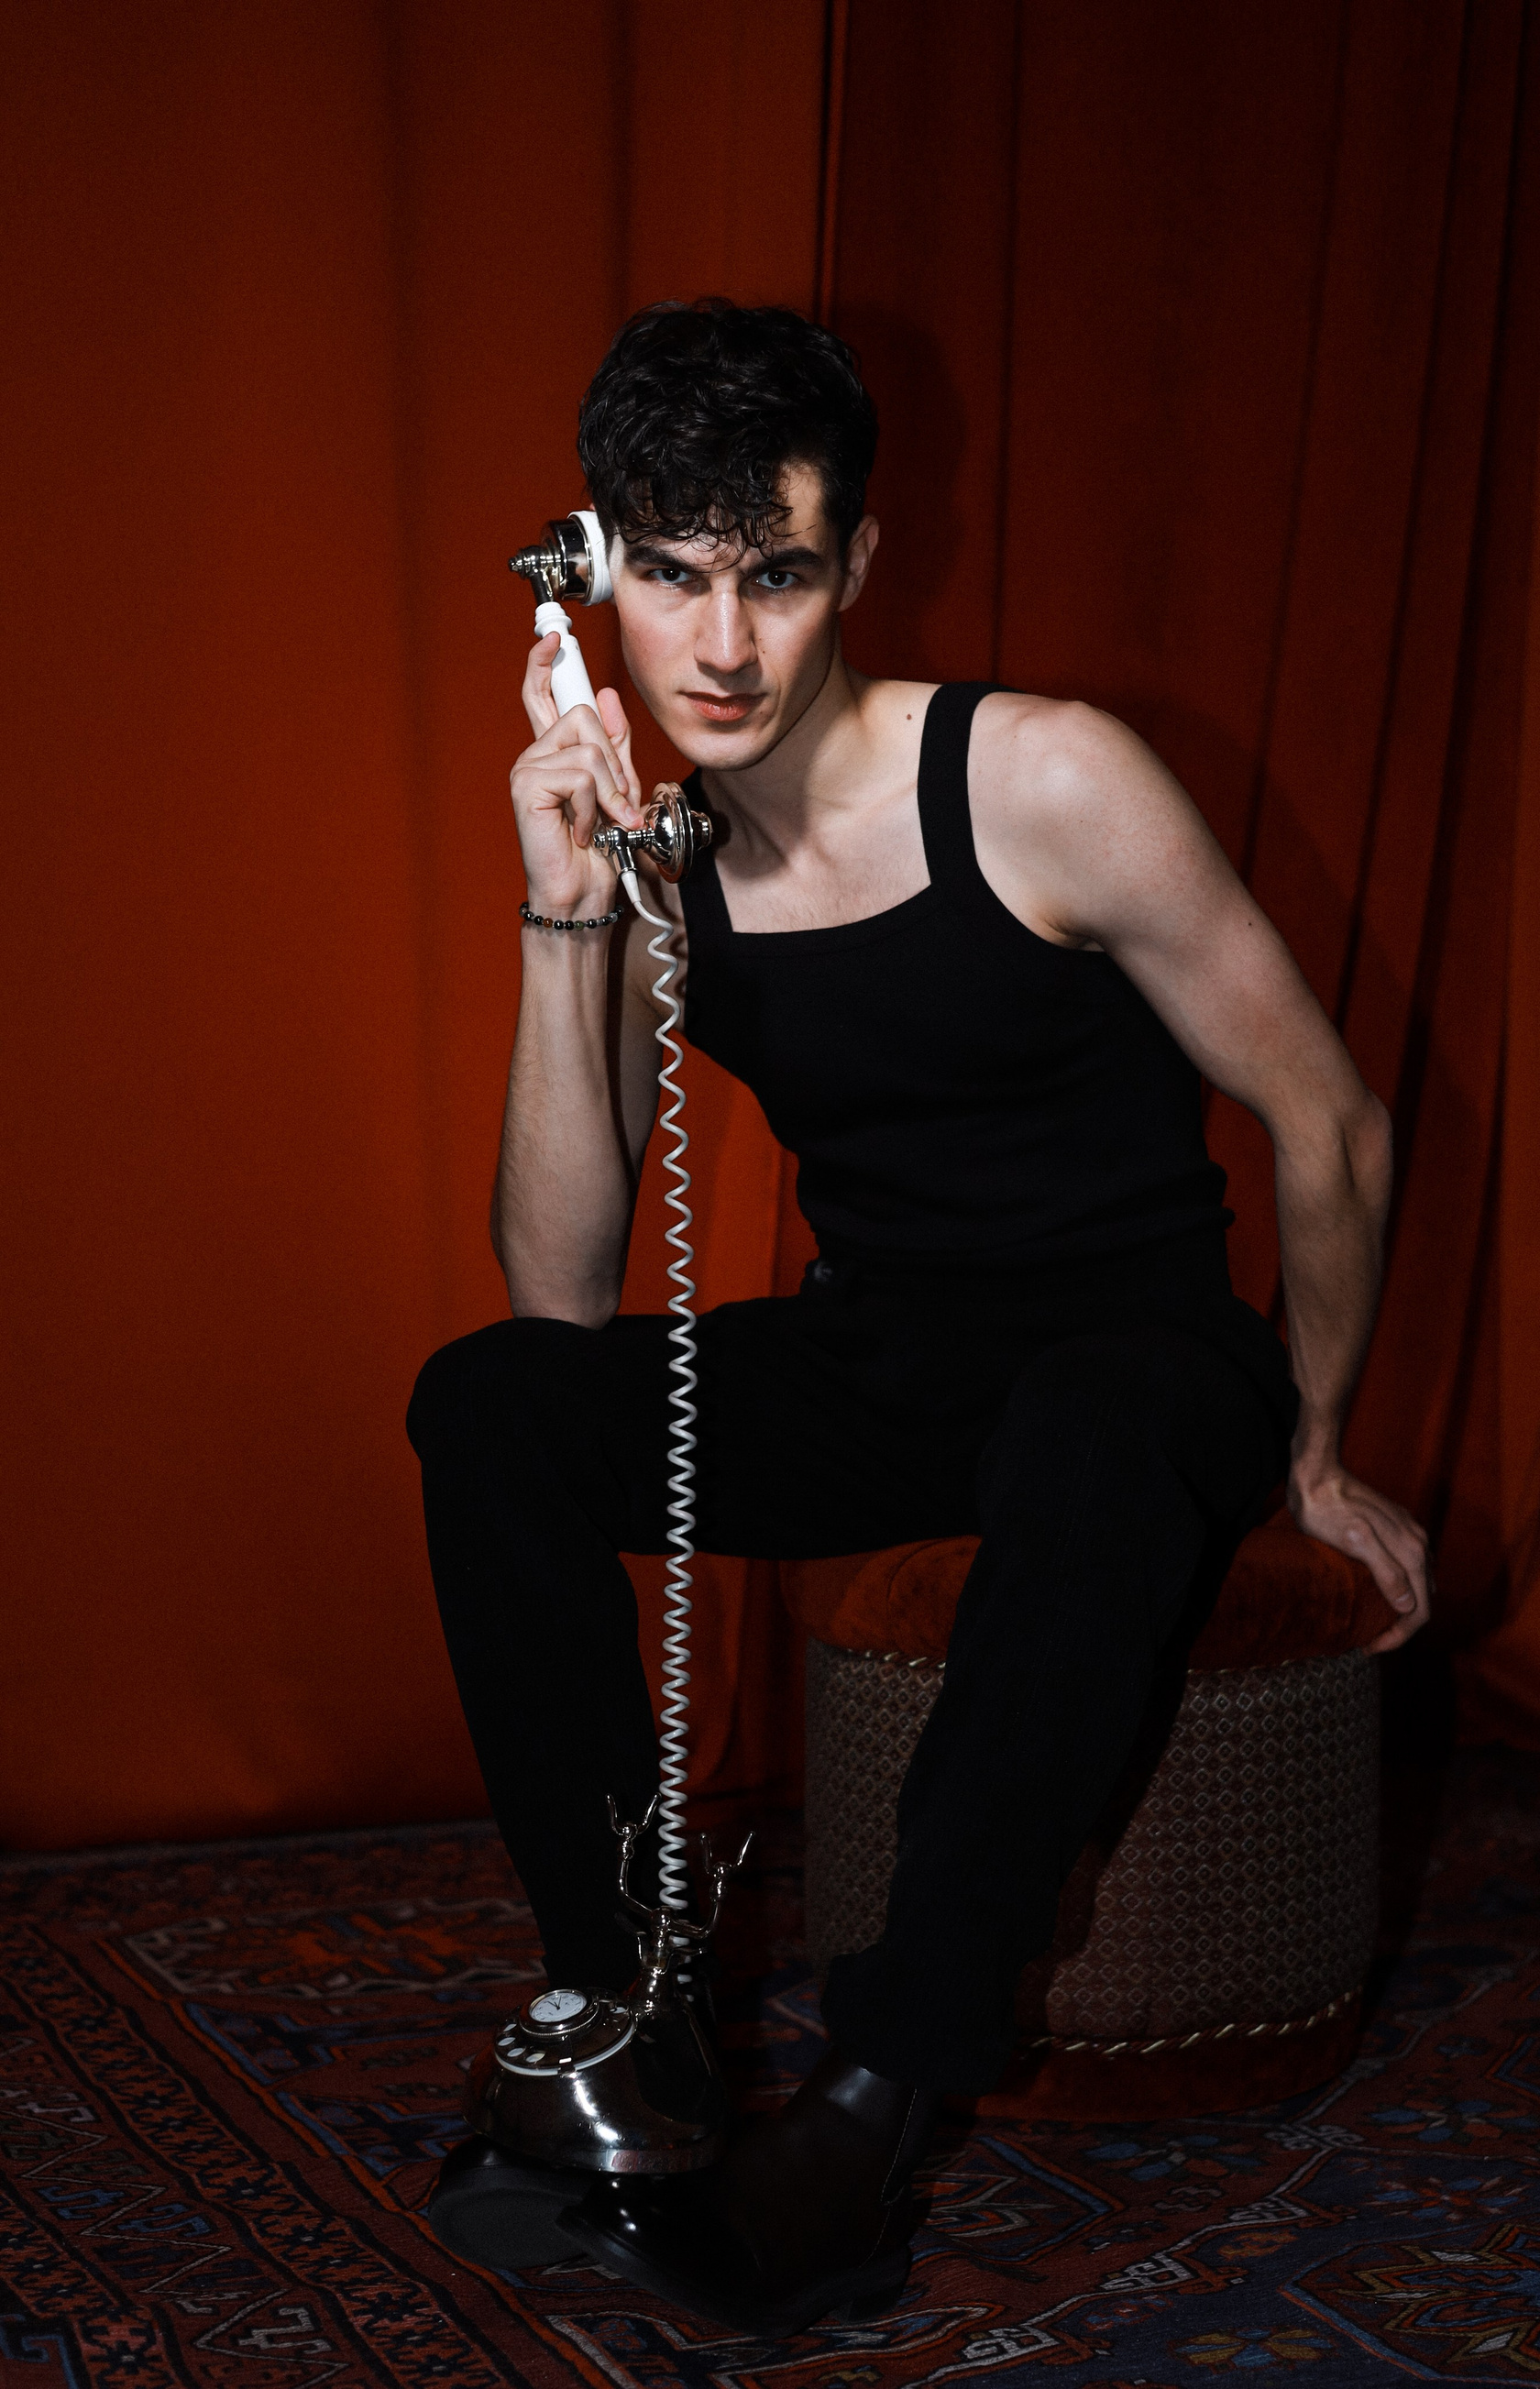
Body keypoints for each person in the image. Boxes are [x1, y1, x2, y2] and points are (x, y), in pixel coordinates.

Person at [407, 298, 1431, 2332]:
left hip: (1141, 1357)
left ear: (857, 562)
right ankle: (626, 2017)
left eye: (776, 576)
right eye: (672, 576)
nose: (721, 646)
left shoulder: (1044, 777)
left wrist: (1315, 1446)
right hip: (888, 1352)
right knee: (489, 1403)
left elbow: (1331, 1118)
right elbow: (560, 1296)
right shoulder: (663, 854)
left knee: (1083, 1428)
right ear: (595, 575)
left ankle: (876, 2098)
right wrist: (564, 912)